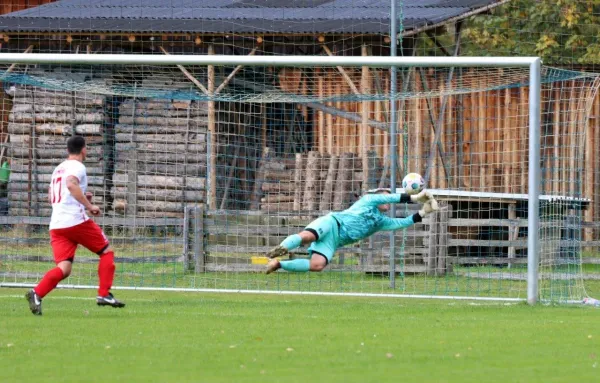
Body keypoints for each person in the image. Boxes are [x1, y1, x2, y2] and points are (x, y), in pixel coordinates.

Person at [25, 136, 125, 315]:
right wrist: (89, 205)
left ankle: (36, 293)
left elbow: (51, 196)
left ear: (67, 150)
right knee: (106, 251)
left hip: (57, 224)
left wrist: (83, 198)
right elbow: (71, 184)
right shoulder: (77, 167)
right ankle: (104, 294)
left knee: (64, 269)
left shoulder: (58, 168)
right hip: (75, 221)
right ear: (84, 149)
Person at [265, 187, 439, 274]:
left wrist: (423, 212)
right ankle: (283, 247)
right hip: (332, 223)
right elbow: (393, 197)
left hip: (334, 241)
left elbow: (401, 223)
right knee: (308, 236)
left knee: (317, 265)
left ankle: (278, 264)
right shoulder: (368, 200)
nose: (388, 200)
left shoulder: (380, 221)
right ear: (378, 196)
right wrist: (415, 197)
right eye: (385, 196)